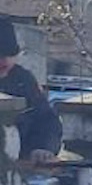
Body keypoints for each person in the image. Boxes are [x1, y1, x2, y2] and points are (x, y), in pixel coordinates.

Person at [0, 17, 64, 162]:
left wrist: (43, 148)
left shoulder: (22, 80)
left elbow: (46, 120)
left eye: (9, 54)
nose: (4, 61)